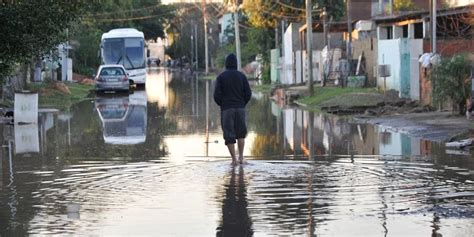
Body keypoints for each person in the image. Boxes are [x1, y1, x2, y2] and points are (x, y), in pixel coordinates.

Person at [214, 53, 252, 165]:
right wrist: (242, 103)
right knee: (241, 133)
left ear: (226, 64)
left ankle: (234, 160)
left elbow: (216, 96)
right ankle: (241, 157)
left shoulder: (220, 77)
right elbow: (248, 94)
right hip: (240, 108)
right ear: (236, 64)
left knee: (229, 135)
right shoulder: (242, 76)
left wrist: (223, 104)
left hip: (227, 110)